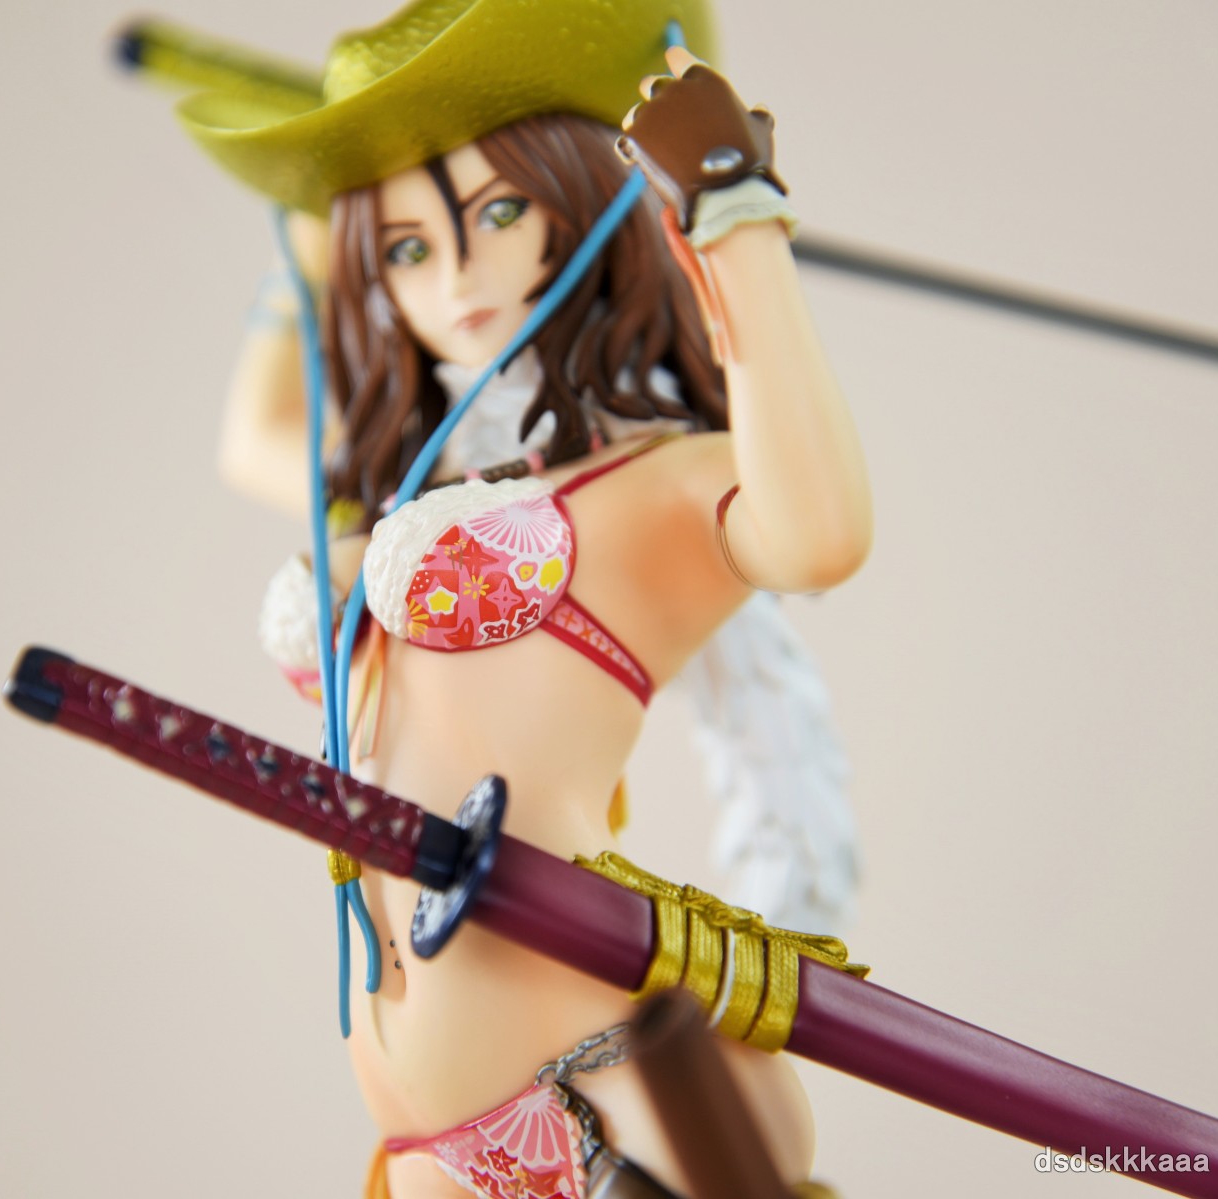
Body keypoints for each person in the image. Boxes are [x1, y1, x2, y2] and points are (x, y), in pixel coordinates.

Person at [138, 2, 872, 1195]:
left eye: (496, 213)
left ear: (576, 206)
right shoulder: (402, 484)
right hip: (421, 1125)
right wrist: (311, 249)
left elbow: (818, 531)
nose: (457, 276)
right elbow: (257, 435)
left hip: (599, 1071)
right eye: (406, 249)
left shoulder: (646, 482)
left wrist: (733, 214)